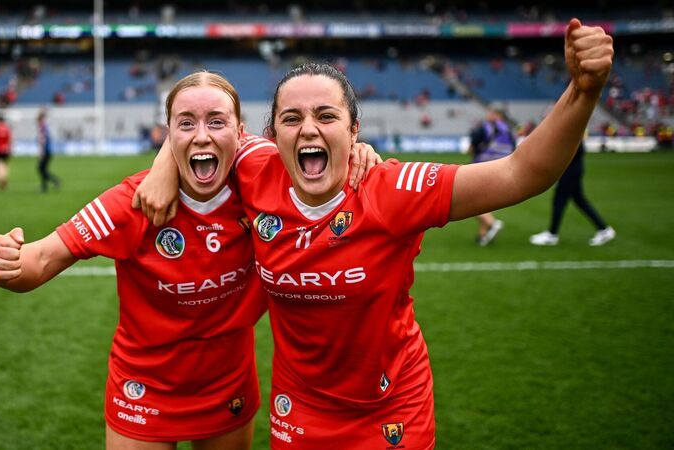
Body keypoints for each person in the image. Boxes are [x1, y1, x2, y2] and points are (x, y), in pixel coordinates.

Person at [135, 19, 612, 449]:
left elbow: (521, 173)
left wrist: (583, 91)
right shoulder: (256, 167)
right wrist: (162, 166)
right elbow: (201, 132)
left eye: (326, 116)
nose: (308, 129)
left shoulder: (393, 189)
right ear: (271, 135)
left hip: (391, 410)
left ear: (354, 130)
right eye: (292, 118)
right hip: (298, 408)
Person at [0, 71, 379, 450]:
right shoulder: (133, 202)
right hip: (143, 388)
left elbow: (322, 160)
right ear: (167, 133)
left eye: (217, 122)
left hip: (227, 384)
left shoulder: (263, 180)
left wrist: (357, 151)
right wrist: (8, 261)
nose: (202, 135)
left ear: (241, 133)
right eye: (185, 123)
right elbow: (38, 262)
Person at [529, 140, 616, 246]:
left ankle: (552, 234)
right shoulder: (575, 137)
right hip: (572, 170)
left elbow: (566, 153)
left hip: (570, 171)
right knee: (578, 201)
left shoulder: (573, 137)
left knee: (559, 202)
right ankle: (603, 229)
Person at [467, 108, 517, 246]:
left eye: (490, 113)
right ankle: (483, 235)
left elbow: (472, 147)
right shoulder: (509, 130)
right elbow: (514, 150)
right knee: (484, 202)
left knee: (470, 200)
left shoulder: (485, 128)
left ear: (497, 115)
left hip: (481, 168)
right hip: (502, 169)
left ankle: (492, 223)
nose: (487, 115)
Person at [37, 111, 61, 193]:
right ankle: (45, 186)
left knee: (41, 168)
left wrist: (41, 152)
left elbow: (42, 141)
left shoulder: (42, 127)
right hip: (48, 150)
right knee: (42, 169)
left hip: (45, 151)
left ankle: (54, 181)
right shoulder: (45, 127)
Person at [0, 116, 12, 191]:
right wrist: (10, 149)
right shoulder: (7, 128)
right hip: (6, 149)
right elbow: (10, 139)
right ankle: (4, 177)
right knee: (5, 164)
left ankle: (0, 178)